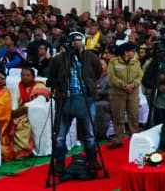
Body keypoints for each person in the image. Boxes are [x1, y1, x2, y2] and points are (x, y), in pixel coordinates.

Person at [46, 32, 104, 176]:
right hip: (65, 99)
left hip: (86, 99)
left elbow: (98, 72)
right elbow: (51, 76)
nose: (76, 43)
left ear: (83, 42)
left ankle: (92, 159)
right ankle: (59, 162)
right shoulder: (59, 59)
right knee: (60, 135)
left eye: (79, 40)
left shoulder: (91, 57)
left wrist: (90, 86)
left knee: (90, 134)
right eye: (74, 40)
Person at [106, 42, 142, 149]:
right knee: (118, 117)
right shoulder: (113, 62)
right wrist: (123, 85)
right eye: (132, 51)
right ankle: (118, 139)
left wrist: (133, 85)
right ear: (126, 52)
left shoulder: (136, 62)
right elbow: (112, 77)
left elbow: (140, 76)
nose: (134, 53)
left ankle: (134, 138)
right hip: (118, 94)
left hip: (133, 93)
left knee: (134, 116)